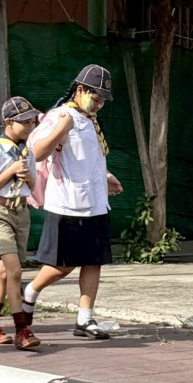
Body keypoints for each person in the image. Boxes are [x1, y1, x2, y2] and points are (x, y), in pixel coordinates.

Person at [21, 64, 123, 340]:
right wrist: (61, 129)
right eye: (96, 98)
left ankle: (85, 319)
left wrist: (105, 176)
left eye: (103, 100)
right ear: (80, 90)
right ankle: (30, 290)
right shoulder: (62, 116)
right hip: (67, 204)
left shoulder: (89, 119)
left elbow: (85, 159)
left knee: (93, 262)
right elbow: (36, 152)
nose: (99, 104)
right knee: (63, 266)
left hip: (95, 203)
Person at [0, 96, 40, 349]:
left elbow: (33, 186)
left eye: (32, 121)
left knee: (4, 273)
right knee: (14, 271)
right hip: (1, 212)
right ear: (8, 123)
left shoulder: (28, 153)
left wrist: (27, 176)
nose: (30, 126)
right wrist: (11, 171)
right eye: (24, 122)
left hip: (21, 213)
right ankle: (22, 330)